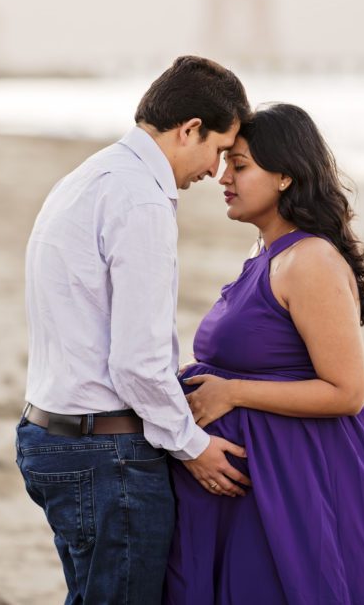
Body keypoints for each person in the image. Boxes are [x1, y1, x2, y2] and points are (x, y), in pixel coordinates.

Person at [164, 103, 364, 604]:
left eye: (240, 165)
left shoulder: (310, 260)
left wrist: (231, 391)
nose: (223, 178)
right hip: (256, 481)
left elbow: (347, 392)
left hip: (297, 481)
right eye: (226, 163)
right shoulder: (267, 256)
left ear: (283, 176)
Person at [16, 55, 254, 605]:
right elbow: (136, 360)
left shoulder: (93, 174)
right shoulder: (142, 198)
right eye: (219, 151)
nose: (216, 172)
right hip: (106, 455)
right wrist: (192, 446)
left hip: (53, 434)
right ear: (189, 128)